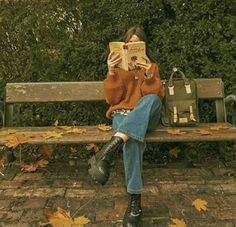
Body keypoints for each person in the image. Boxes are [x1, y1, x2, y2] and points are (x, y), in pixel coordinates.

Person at [88, 26, 164, 227]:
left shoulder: (152, 67)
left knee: (153, 100)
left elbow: (155, 95)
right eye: (128, 44)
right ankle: (134, 203)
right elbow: (112, 99)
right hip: (123, 117)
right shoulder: (119, 69)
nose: (132, 48)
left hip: (146, 118)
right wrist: (112, 72)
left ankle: (108, 151)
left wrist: (148, 75)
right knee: (132, 142)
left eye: (136, 44)